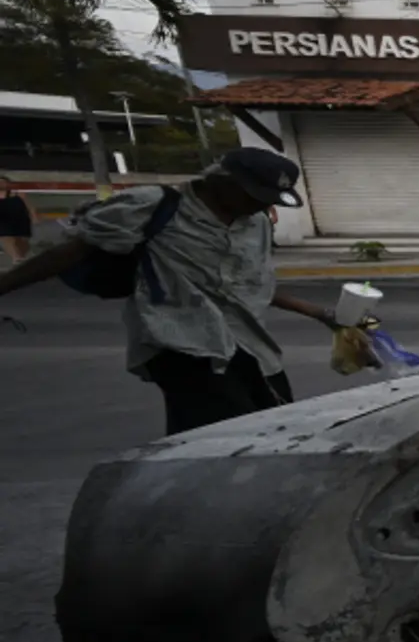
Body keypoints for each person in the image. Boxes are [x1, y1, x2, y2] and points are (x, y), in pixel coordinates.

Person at [0, 147, 348, 435]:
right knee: (221, 435)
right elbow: (68, 252)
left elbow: (251, 285)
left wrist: (320, 314)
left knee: (277, 424)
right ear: (221, 181)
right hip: (182, 342)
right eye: (254, 196)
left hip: (248, 344)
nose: (259, 206)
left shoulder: (254, 223)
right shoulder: (153, 205)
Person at [0, 176, 30, 264]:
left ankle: (20, 256)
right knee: (6, 237)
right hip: (3, 218)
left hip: (18, 218)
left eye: (3, 182)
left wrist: (33, 215)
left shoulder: (17, 194)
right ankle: (15, 257)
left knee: (21, 240)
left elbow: (27, 205)